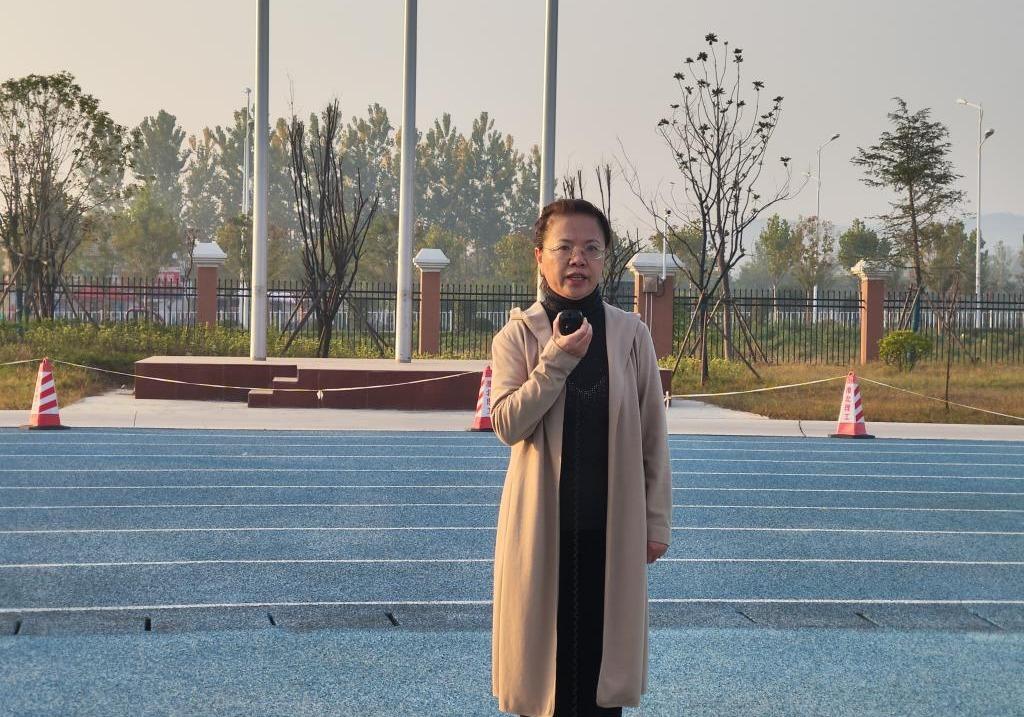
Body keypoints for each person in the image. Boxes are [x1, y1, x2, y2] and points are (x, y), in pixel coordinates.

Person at [490, 198, 672, 717]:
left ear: (604, 258)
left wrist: (656, 521)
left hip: (612, 529)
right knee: (540, 678)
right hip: (540, 529)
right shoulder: (518, 335)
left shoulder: (631, 335)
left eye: (591, 248)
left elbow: (653, 436)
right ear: (539, 256)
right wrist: (556, 360)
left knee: (601, 678)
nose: (578, 259)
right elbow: (507, 423)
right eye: (564, 247)